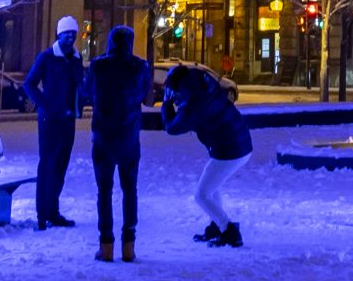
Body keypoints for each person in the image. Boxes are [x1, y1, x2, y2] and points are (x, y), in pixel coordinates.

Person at [161, 62, 254, 248]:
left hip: (230, 150)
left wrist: (166, 104)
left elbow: (172, 127)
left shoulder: (192, 105)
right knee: (212, 187)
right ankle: (217, 225)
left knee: (201, 195)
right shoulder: (202, 83)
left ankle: (229, 231)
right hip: (239, 143)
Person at [85, 24, 157, 262]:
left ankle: (106, 245)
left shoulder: (98, 65)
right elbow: (145, 95)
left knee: (104, 191)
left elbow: (87, 92)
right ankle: (129, 245)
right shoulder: (139, 66)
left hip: (104, 135)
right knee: (130, 190)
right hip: (129, 136)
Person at [19, 15, 86, 228]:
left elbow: (79, 86)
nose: (70, 37)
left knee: (61, 167)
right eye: (66, 33)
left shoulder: (76, 60)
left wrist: (81, 103)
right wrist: (45, 105)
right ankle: (42, 214)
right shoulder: (47, 57)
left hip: (68, 120)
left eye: (73, 33)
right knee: (47, 165)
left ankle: (53, 211)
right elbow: (29, 84)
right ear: (59, 34)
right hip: (50, 120)